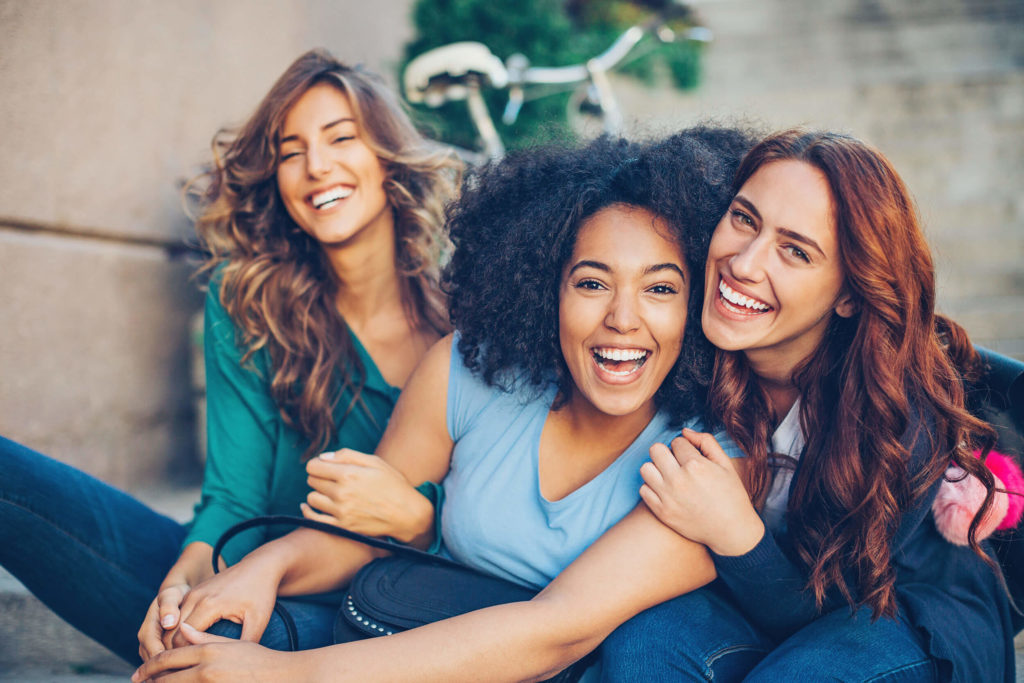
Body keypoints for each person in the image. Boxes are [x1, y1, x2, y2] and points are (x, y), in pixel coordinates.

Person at [131, 128, 757, 682]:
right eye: (591, 283)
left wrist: (287, 675)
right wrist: (264, 568)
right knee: (209, 647)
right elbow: (366, 532)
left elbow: (556, 632)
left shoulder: (713, 458)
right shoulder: (471, 369)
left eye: (660, 289)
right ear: (546, 290)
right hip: (419, 642)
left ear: (700, 297)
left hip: (573, 665)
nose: (622, 319)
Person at [0, 48, 459, 664]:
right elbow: (232, 499)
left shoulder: (464, 321)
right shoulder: (252, 301)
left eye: (340, 138)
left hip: (378, 617)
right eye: (291, 152)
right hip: (242, 564)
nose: (316, 167)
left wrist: (417, 520)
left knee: (223, 641)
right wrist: (182, 580)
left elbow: (498, 531)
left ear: (388, 159)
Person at [598, 129, 1015, 681]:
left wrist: (734, 531)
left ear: (848, 293)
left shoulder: (899, 411)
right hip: (745, 604)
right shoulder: (688, 338)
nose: (743, 264)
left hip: (898, 612)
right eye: (745, 219)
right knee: (641, 646)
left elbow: (830, 604)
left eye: (795, 251)